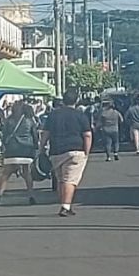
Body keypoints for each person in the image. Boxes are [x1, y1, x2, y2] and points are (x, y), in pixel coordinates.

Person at [40, 89, 92, 217]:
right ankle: (65, 206)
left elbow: (45, 133)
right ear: (77, 100)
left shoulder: (53, 115)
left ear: (63, 100)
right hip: (75, 150)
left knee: (61, 179)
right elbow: (87, 135)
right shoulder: (80, 115)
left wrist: (41, 148)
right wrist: (86, 151)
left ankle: (63, 202)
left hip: (56, 151)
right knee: (70, 180)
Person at [0, 100, 40, 207]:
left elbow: (4, 135)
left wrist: (6, 145)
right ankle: (31, 195)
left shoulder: (9, 120)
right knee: (26, 172)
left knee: (6, 174)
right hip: (26, 150)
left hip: (12, 149)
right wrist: (36, 147)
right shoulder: (29, 120)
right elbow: (34, 135)